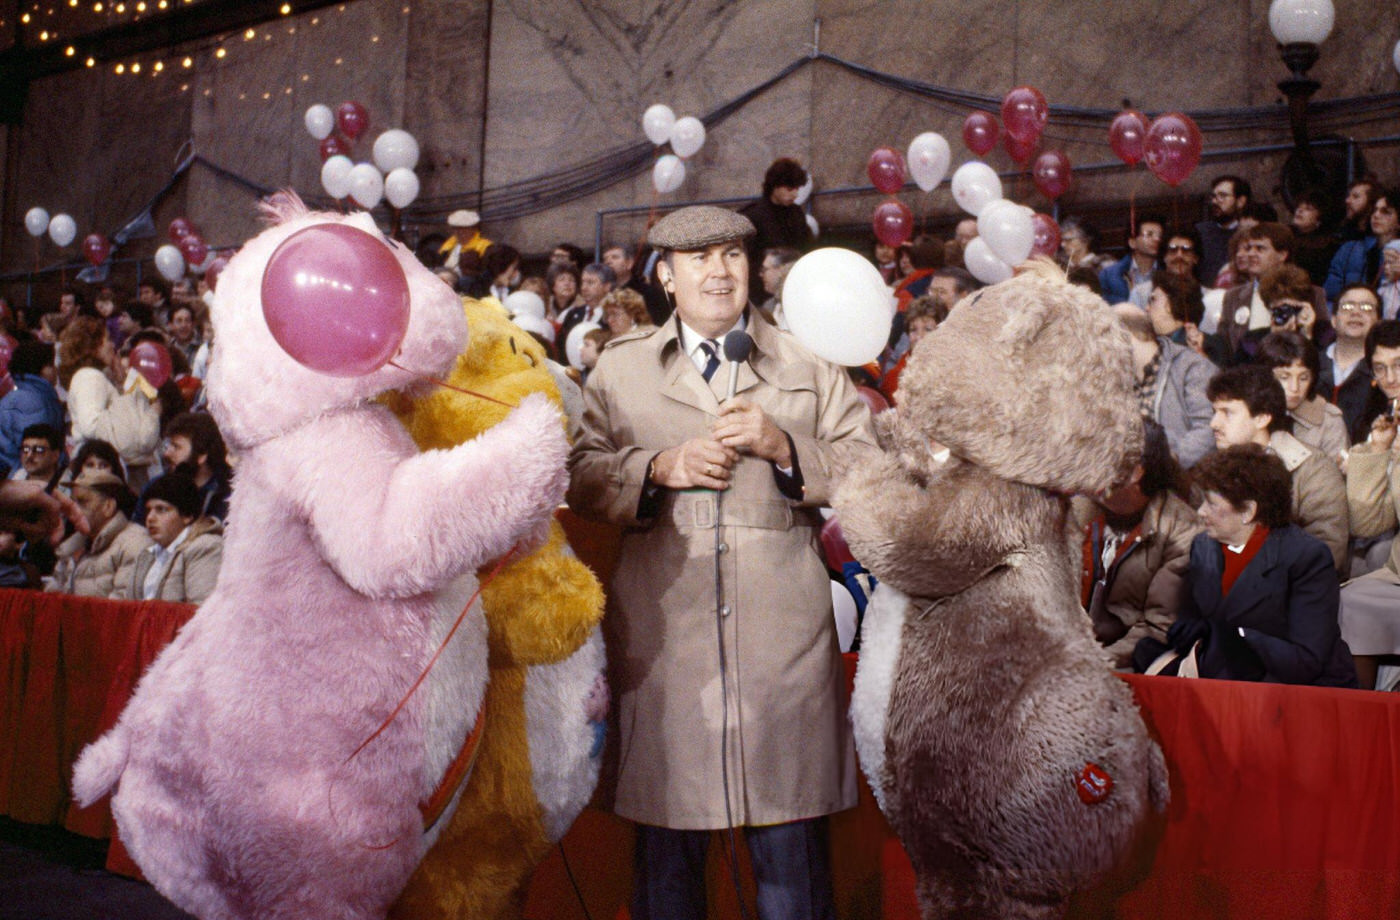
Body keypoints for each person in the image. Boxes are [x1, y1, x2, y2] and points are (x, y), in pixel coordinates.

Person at [567, 205, 875, 920]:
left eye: (732, 255)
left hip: (784, 652)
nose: (719, 270)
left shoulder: (809, 363)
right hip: (666, 651)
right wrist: (656, 467)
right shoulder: (620, 368)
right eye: (698, 258)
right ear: (666, 279)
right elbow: (581, 476)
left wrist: (785, 448)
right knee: (668, 877)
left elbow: (868, 467)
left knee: (790, 866)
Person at [1136, 444, 1356, 686]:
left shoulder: (1307, 558)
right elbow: (1197, 618)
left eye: (1211, 503)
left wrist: (1238, 636)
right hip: (1227, 682)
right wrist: (1190, 629)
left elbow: (1307, 660)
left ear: (1248, 511)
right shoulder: (1203, 546)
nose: (1200, 512)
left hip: (1295, 691)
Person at [1077, 419, 1200, 669]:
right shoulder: (1076, 509)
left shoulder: (1183, 531)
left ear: (1135, 472)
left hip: (1123, 666)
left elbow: (1158, 627)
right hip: (1063, 652)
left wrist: (1091, 663)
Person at [1206, 365, 1349, 574]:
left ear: (1262, 418)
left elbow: (1327, 551)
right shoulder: (1212, 467)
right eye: (1214, 412)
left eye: (1227, 412)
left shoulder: (1312, 469)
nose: (1213, 423)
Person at [1338, 324, 1400, 689]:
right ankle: (1362, 718)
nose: (1390, 378)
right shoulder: (1387, 421)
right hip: (1395, 571)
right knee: (1351, 599)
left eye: (1398, 364)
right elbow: (1367, 521)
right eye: (1380, 368)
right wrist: (1377, 452)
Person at [60, 316, 162, 490]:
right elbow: (91, 426)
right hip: (102, 466)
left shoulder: (95, 376)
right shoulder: (90, 377)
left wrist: (120, 382)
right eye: (106, 339)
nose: (112, 345)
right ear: (92, 346)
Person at [1115, 305, 1216, 469]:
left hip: (1184, 482)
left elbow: (1208, 431)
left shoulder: (1191, 367)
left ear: (1124, 337)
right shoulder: (1118, 381)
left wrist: (1166, 467)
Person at [48, 469, 151, 598]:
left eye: (82, 502)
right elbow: (52, 598)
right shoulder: (71, 545)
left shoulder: (135, 543)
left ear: (108, 507)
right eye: (73, 502)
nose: (73, 510)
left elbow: (123, 607)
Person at [130, 471, 223, 604]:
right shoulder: (146, 555)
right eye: (148, 510)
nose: (150, 518)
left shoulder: (205, 547)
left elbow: (202, 611)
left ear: (187, 516)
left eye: (161, 510)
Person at [1257, 332, 1348, 465]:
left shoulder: (1329, 421)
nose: (1294, 388)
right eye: (1284, 377)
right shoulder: (1247, 413)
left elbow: (1336, 480)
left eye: (1303, 378)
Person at [739, 157, 813, 302]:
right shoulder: (752, 215)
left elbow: (805, 248)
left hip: (793, 287)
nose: (795, 194)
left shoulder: (797, 213)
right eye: (789, 189)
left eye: (797, 189)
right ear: (774, 187)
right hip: (761, 291)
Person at [1322, 285, 1384, 443]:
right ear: (1334, 320)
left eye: (1366, 308)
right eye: (1347, 306)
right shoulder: (1310, 364)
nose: (1356, 313)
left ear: (1379, 323)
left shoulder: (1386, 376)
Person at [1325, 186, 1400, 303]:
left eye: (1386, 212)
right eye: (1375, 210)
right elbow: (1330, 294)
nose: (1376, 215)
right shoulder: (1350, 249)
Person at [0, 340, 64, 472]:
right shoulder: (30, 401)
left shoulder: (35, 395)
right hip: (23, 475)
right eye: (50, 365)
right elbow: (34, 449)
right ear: (38, 369)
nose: (55, 369)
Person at [1146, 269, 1227, 367]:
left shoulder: (1211, 347)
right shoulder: (1149, 347)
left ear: (1172, 303)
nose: (1147, 308)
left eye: (1153, 300)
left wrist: (1200, 354)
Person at [1196, 175, 1251, 283]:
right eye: (1214, 196)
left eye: (1223, 196)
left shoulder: (1249, 234)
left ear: (1240, 201)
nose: (1215, 202)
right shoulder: (1199, 232)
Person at [1099, 216, 1163, 304]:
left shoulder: (1166, 272)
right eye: (1149, 234)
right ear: (1132, 243)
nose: (1157, 239)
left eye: (1160, 236)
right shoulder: (1109, 275)